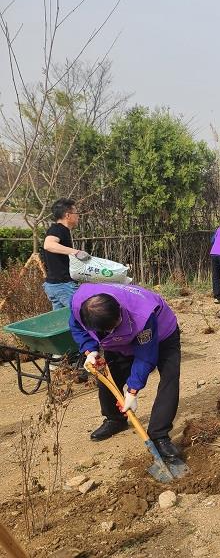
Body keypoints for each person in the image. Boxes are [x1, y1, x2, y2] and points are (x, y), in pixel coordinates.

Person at [70, 283, 182, 463]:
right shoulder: (79, 303)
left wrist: (132, 391)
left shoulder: (142, 315)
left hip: (162, 334)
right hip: (118, 341)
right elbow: (76, 326)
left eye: (116, 324)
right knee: (109, 375)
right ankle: (115, 419)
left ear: (119, 311)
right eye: (109, 330)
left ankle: (159, 435)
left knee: (170, 377)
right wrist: (90, 350)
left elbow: (145, 357)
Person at [42, 198, 90, 310]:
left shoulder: (62, 231)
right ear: (68, 215)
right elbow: (48, 245)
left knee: (62, 323)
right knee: (82, 315)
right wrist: (76, 252)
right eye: (76, 213)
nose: (78, 216)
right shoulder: (59, 229)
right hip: (63, 286)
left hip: (54, 285)